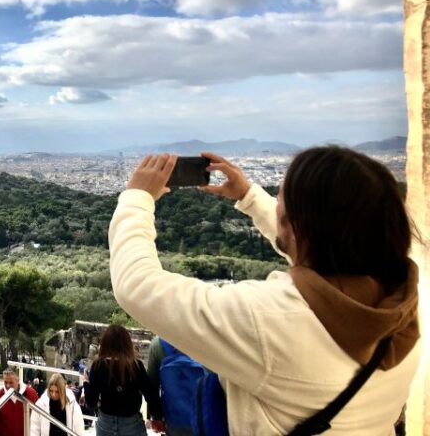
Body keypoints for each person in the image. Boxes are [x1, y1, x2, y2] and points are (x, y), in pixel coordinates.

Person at [110, 148, 420, 434]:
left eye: (281, 197)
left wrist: (136, 199)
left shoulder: (268, 322)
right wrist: (249, 196)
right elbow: (323, 254)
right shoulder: (403, 308)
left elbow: (136, 285)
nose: (277, 201)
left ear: (300, 227)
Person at [83, 324, 162, 436]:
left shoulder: (98, 365)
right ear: (127, 343)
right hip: (131, 424)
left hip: (105, 424)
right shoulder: (136, 366)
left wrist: (86, 383)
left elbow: (91, 402)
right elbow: (150, 395)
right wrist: (157, 417)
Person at [0, 368, 39, 436]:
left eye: (11, 383)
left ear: (18, 380)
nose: (8, 386)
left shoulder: (31, 394)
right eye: (5, 382)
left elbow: (37, 420)